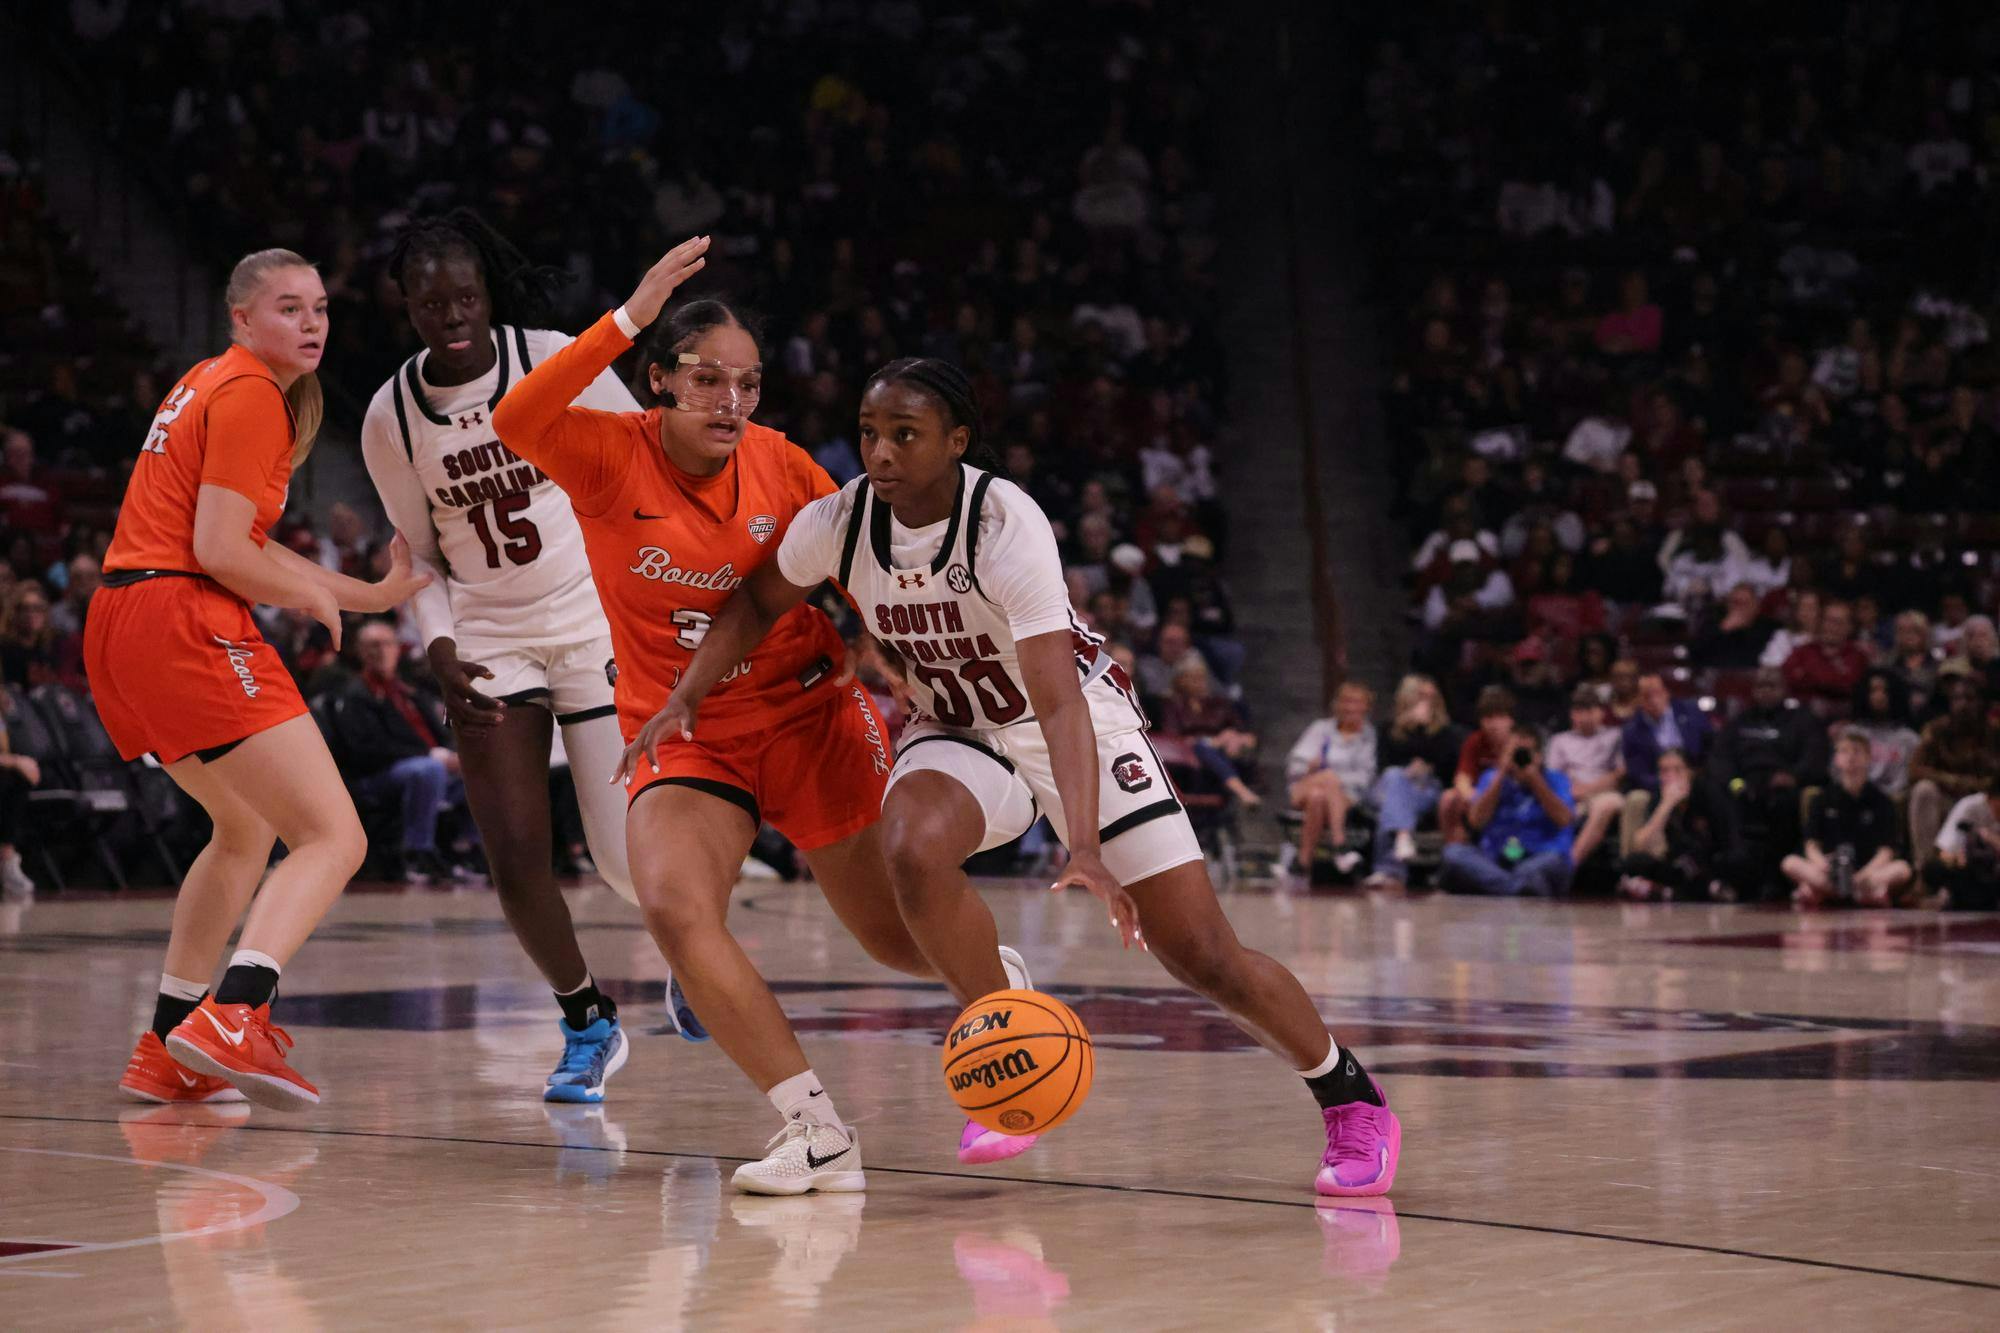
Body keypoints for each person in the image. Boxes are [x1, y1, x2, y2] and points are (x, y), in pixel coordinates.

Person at [663, 354, 1402, 1199]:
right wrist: (686, 693)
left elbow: (1055, 702)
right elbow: (757, 600)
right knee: (907, 846)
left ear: (957, 442)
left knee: (1202, 953)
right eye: (870, 433)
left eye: (906, 435)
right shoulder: (840, 520)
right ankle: (999, 1026)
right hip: (959, 722)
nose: (881, 453)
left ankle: (1350, 1095)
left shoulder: (1003, 522)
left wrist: (1082, 846)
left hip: (1074, 720)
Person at [493, 239, 1024, 1191]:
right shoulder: (609, 456)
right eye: (703, 379)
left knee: (896, 940)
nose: (728, 401)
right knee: (672, 905)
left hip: (809, 713)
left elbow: (866, 570)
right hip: (681, 728)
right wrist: (629, 309)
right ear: (656, 382)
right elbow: (516, 411)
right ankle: (817, 1132)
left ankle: (996, 976)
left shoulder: (784, 466)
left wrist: (909, 661)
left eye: (746, 383)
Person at [91, 248, 428, 1111]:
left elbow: (241, 536)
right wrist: (310, 592)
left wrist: (364, 592)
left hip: (121, 621)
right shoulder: (251, 396)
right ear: (243, 318)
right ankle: (235, 1012)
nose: (312, 323)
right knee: (333, 836)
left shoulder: (211, 381)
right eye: (289, 308)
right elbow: (218, 552)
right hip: (181, 617)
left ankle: (170, 1043)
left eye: (319, 308)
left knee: (241, 827)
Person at [360, 211, 662, 1101]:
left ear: (488, 291)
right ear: (406, 306)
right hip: (488, 636)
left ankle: (693, 960)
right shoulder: (392, 415)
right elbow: (416, 555)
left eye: (464, 296)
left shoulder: (551, 359)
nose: (450, 315)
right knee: (516, 854)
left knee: (621, 859)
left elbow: (648, 461)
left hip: (593, 623)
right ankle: (587, 1021)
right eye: (429, 302)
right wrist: (440, 647)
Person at [332, 620, 466, 883]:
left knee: (479, 770)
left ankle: (468, 848)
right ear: (360, 651)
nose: (381, 651)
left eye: (387, 644)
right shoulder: (354, 695)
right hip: (376, 776)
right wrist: (432, 756)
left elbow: (442, 734)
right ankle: (417, 851)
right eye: (373, 645)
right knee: (427, 770)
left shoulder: (410, 691)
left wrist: (454, 754)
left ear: (398, 649)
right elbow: (365, 750)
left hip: (425, 768)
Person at [1709, 666, 1822, 879]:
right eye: (1761, 686)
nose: (1766, 691)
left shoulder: (1802, 721)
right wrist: (1735, 783)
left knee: (1787, 801)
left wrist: (1794, 777)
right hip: (1743, 785)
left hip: (1783, 785)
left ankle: (1775, 876)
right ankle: (1733, 865)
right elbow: (1720, 758)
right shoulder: (1739, 722)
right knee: (1716, 792)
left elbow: (1814, 757)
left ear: (1785, 689)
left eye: (1772, 686)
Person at [1437, 725, 1576, 897]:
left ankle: (1502, 886)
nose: (1519, 759)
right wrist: (1501, 775)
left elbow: (1564, 819)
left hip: (1539, 856)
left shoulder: (1556, 779)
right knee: (1454, 854)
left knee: (1552, 862)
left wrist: (1535, 780)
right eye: (1513, 753)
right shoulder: (1491, 778)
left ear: (1539, 756)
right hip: (1496, 859)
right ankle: (1518, 889)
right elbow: (1475, 821)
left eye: (1525, 753)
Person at [1784, 730, 1911, 908]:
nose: (1851, 757)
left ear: (1868, 758)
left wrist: (1863, 876)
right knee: (1790, 863)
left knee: (1902, 869)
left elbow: (1886, 851)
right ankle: (1860, 894)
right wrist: (1824, 866)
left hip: (1866, 872)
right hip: (1829, 871)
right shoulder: (1822, 798)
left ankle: (1822, 892)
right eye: (1844, 751)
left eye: (1857, 751)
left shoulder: (1882, 801)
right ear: (1836, 759)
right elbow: (1811, 844)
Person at [1281, 681, 1377, 878]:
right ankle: (1340, 846)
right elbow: (1294, 766)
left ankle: (1303, 862)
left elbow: (1365, 777)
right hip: (1305, 786)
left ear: (1366, 707)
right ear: (1338, 705)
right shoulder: (1320, 729)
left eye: (1357, 702)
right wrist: (1311, 768)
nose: (1351, 707)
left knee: (1319, 797)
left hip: (1346, 796)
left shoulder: (1368, 736)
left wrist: (1334, 782)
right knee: (1326, 780)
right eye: (1347, 701)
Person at [1906, 674, 2000, 873]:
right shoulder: (1937, 729)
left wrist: (1982, 783)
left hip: (1984, 805)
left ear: (1981, 702)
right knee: (1923, 790)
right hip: (1946, 800)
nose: (1963, 705)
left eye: (1969, 698)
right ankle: (1928, 873)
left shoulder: (1994, 732)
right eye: (1957, 699)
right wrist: (1952, 780)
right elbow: (1914, 770)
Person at [1620, 748, 1741, 902]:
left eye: (1677, 770)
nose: (1671, 776)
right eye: (1664, 771)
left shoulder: (1707, 792)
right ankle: (1683, 892)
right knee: (1634, 862)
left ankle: (1667, 892)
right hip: (1678, 865)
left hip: (1709, 860)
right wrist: (1666, 805)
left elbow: (1726, 840)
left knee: (1729, 862)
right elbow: (1639, 845)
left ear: (1690, 772)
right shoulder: (1660, 796)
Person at [1544, 685, 1624, 866]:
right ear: (1572, 714)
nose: (1585, 716)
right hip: (1570, 794)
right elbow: (1553, 775)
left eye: (1590, 710)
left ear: (1601, 712)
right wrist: (1573, 791)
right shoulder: (1559, 740)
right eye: (1579, 711)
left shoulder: (1615, 735)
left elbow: (1620, 773)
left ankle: (1569, 865)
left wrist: (1589, 789)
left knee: (1605, 804)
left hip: (1604, 794)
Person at [1444, 685, 1518, 843]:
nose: (1493, 724)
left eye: (1499, 717)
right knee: (1449, 798)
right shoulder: (1475, 741)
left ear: (1511, 719)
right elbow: (1462, 779)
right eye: (1488, 718)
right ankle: (1454, 849)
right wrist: (1473, 796)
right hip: (1478, 800)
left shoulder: (1520, 743)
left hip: (1511, 799)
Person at [1782, 598, 1869, 710]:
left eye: (1838, 622)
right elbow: (1788, 678)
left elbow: (1851, 687)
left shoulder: (1857, 657)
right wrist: (1833, 680)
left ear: (1849, 627)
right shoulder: (1802, 652)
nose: (1832, 627)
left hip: (1842, 715)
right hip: (1803, 711)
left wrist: (1809, 677)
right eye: (1828, 621)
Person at [1847, 668, 1920, 799]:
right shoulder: (1852, 734)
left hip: (1892, 801)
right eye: (1873, 691)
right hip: (1853, 799)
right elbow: (1840, 773)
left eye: (1885, 691)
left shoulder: (1909, 739)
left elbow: (1905, 780)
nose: (1879, 697)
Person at [1928, 779, 2000, 911]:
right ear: (1992, 797)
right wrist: (1958, 858)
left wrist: (1991, 839)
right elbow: (1944, 848)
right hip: (1973, 870)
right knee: (1935, 867)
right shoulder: (1970, 806)